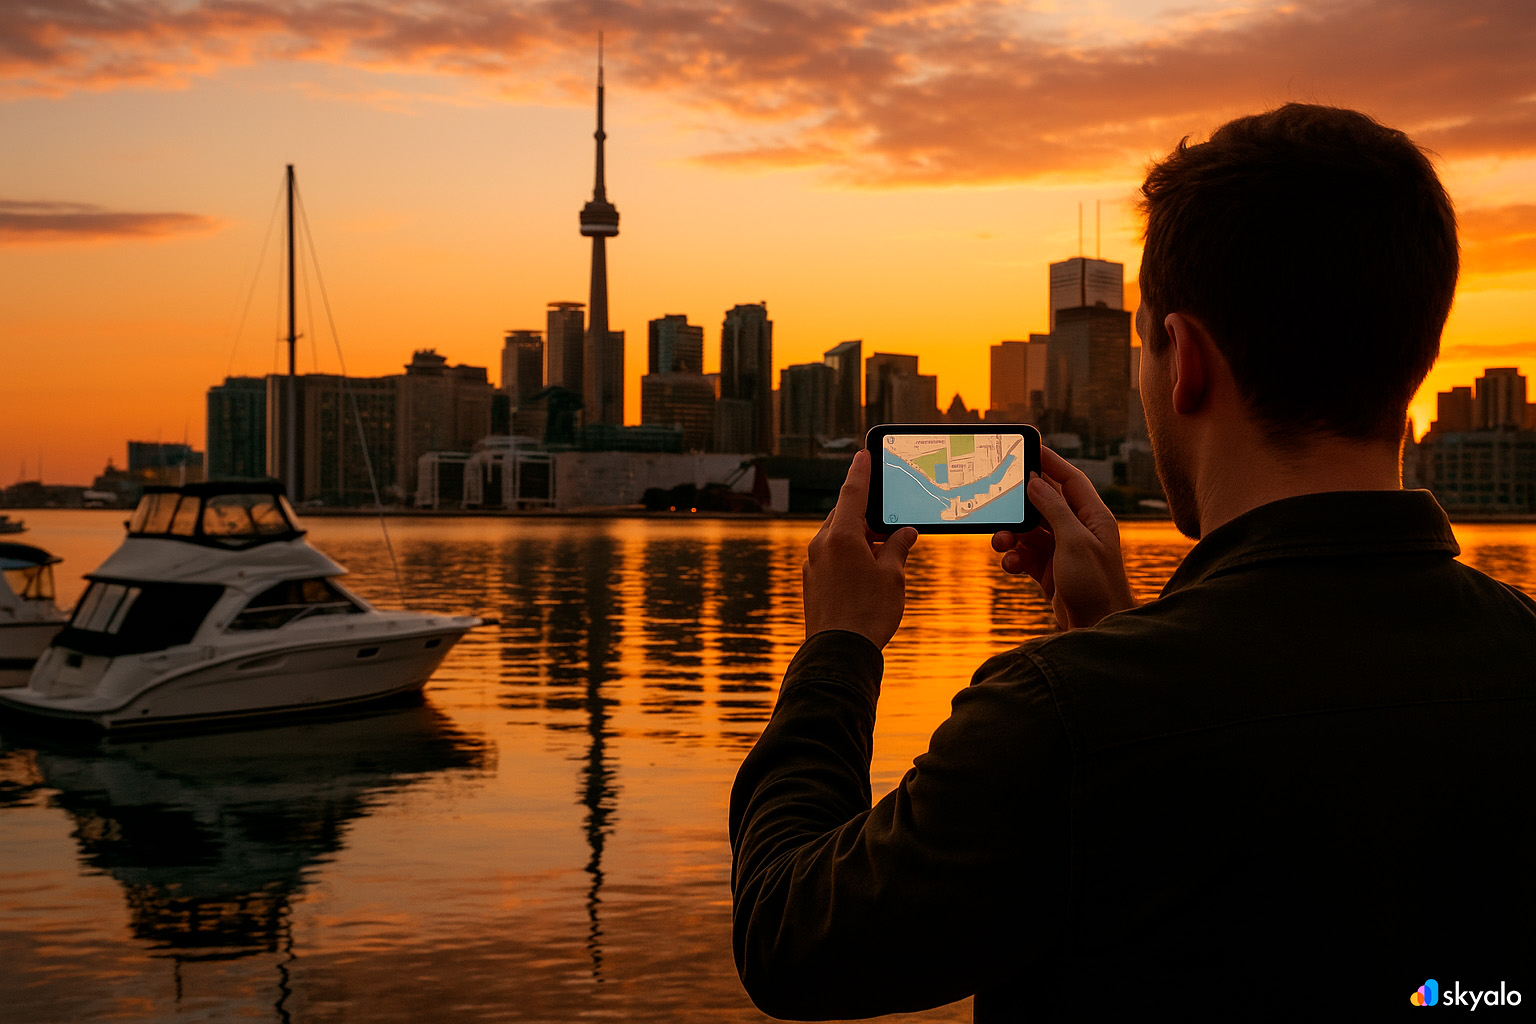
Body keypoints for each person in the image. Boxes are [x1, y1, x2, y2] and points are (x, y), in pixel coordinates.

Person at [729, 104, 1535, 1021]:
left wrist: (837, 648)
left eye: (1143, 343)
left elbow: (789, 939)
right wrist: (1111, 634)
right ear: (1417, 354)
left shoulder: (1060, 721)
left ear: (1184, 358)